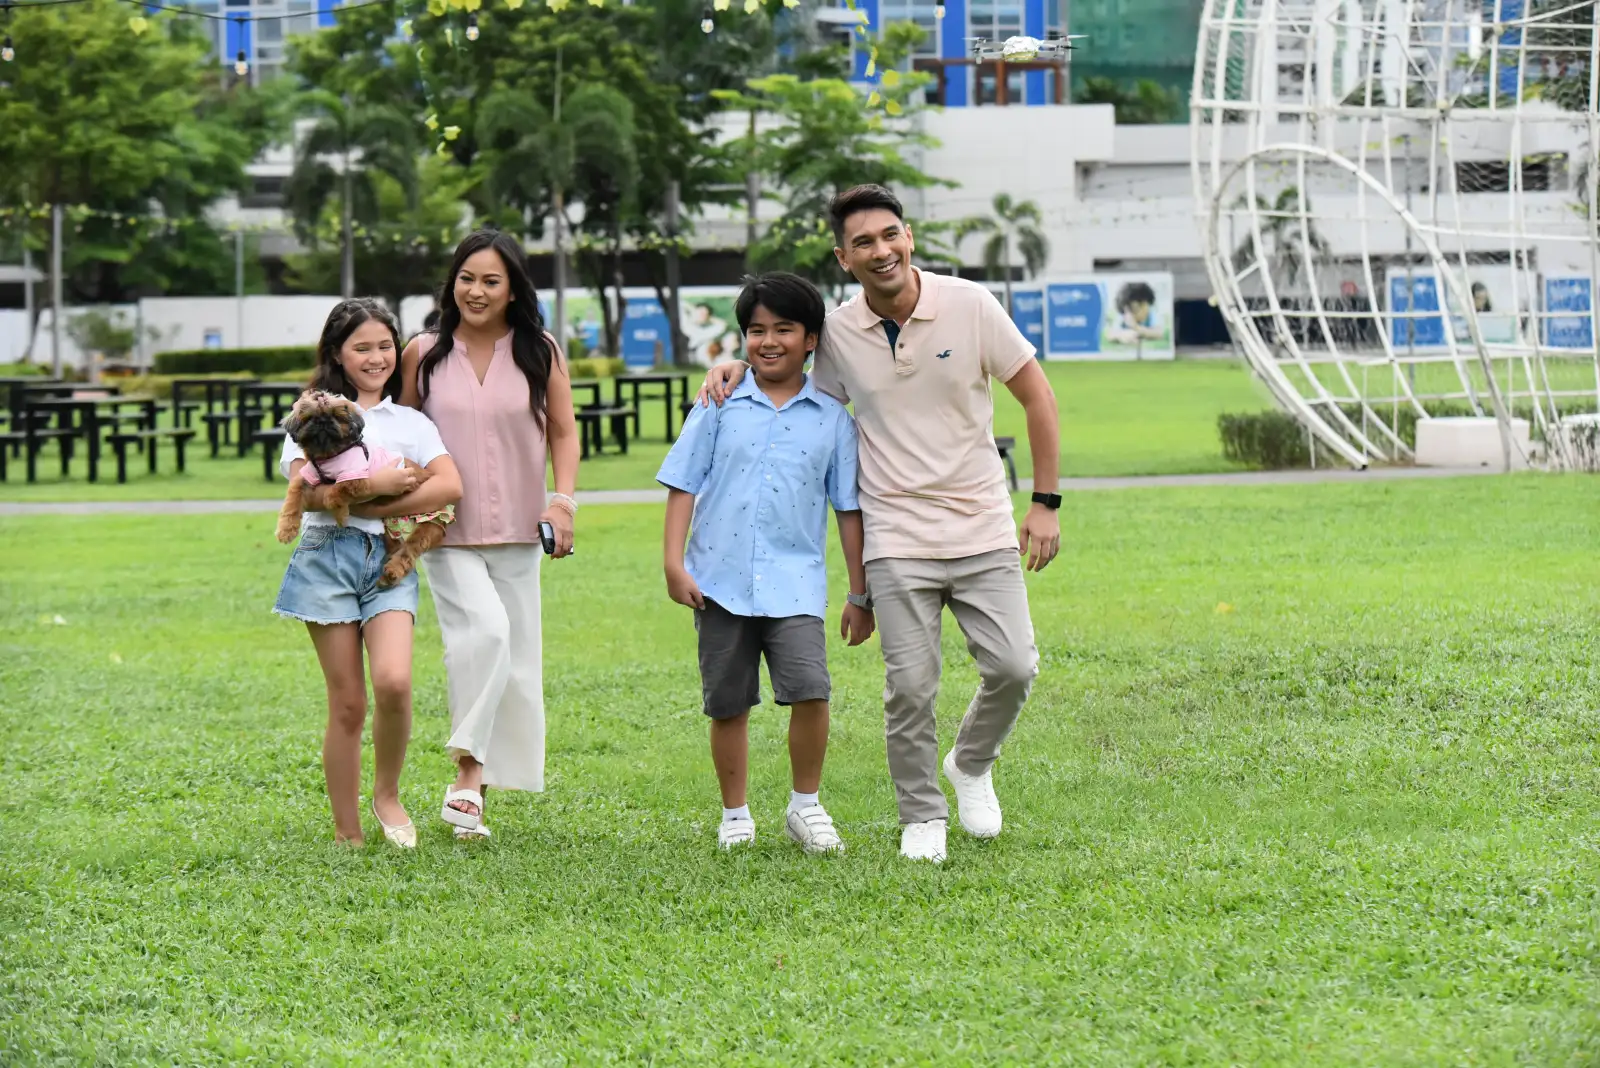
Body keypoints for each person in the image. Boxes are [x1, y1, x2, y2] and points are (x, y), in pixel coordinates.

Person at [700, 184, 1062, 864]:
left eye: (890, 234)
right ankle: (921, 813)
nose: (881, 250)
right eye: (863, 242)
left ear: (909, 237)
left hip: (981, 521)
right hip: (894, 533)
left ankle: (970, 763)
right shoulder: (838, 332)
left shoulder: (971, 305)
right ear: (845, 258)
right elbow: (789, 373)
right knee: (911, 688)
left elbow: (1037, 395)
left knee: (1015, 666)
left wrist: (1045, 502)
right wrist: (736, 365)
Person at [658, 272, 873, 853]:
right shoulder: (718, 403)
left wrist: (860, 592)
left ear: (811, 340)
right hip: (718, 582)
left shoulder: (832, 419)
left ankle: (806, 806)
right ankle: (735, 815)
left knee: (811, 692)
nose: (769, 341)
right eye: (757, 330)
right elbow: (682, 483)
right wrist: (674, 564)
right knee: (727, 703)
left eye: (784, 329)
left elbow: (848, 510)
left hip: (794, 583)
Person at [400, 229, 580, 841]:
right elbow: (403, 432)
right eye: (466, 278)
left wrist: (563, 503)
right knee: (484, 635)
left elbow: (563, 432)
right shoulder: (423, 352)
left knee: (516, 660)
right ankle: (468, 774)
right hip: (443, 529)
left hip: (521, 528)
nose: (475, 291)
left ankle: (474, 798)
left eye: (491, 281)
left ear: (513, 290)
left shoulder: (541, 350)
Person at [274, 298, 464, 848]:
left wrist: (378, 506)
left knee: (395, 683)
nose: (377, 357)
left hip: (388, 559)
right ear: (338, 353)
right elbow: (308, 493)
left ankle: (387, 796)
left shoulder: (411, 422)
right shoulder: (312, 415)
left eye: (385, 346)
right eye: (362, 348)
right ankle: (347, 830)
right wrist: (378, 486)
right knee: (349, 703)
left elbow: (449, 485)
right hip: (325, 559)